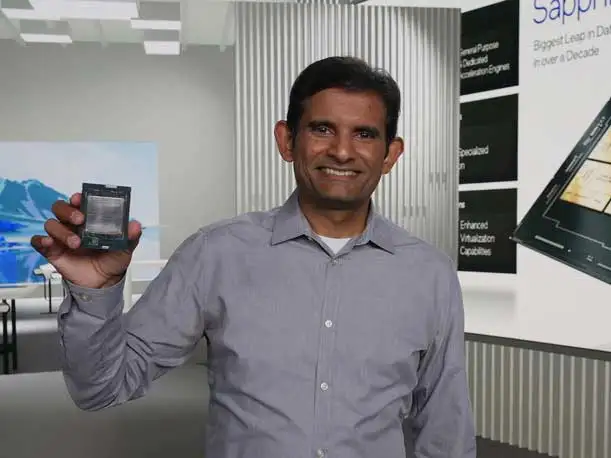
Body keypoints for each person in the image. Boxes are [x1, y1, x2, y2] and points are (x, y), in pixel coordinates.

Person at [32, 56, 476, 458]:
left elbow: (445, 429)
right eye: (322, 129)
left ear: (390, 154)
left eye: (364, 134)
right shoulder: (216, 254)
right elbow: (101, 388)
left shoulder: (428, 274)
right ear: (287, 141)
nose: (342, 151)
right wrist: (94, 294)